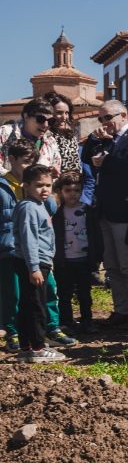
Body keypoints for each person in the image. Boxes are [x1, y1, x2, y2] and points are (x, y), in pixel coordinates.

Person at [83, 100, 128, 330]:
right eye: (101, 118)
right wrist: (94, 140)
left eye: (108, 117)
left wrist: (108, 160)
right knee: (111, 265)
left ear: (123, 115)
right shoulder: (106, 139)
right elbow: (86, 158)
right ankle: (122, 309)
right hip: (105, 209)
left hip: (124, 209)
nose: (104, 122)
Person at [12, 164, 66, 363]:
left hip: (36, 261)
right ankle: (37, 347)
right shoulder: (29, 208)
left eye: (48, 185)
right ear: (26, 186)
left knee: (29, 304)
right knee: (36, 306)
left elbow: (52, 206)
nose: (44, 190)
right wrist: (34, 267)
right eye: (39, 185)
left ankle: (27, 346)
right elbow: (29, 239)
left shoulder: (39, 204)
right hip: (33, 262)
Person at [1, 141, 40, 352]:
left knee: (40, 290)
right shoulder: (2, 186)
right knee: (12, 294)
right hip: (9, 247)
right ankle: (12, 332)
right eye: (25, 162)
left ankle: (45, 329)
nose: (29, 166)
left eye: (32, 162)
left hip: (34, 247)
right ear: (12, 159)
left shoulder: (34, 184)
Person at [52, 171, 99, 334]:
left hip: (84, 259)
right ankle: (66, 322)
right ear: (61, 191)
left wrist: (96, 256)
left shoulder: (88, 211)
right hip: (64, 261)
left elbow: (96, 235)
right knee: (64, 293)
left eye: (77, 190)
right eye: (68, 190)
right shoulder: (57, 213)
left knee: (84, 293)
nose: (73, 194)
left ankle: (87, 321)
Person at [0, 97, 62, 177]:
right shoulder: (4, 133)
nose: (46, 125)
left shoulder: (51, 141)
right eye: (40, 119)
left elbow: (56, 166)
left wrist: (51, 172)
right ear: (26, 116)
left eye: (51, 121)